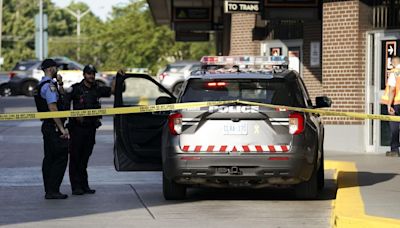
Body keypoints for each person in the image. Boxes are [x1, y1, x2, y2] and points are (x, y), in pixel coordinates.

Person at [64, 65, 114, 195]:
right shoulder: (75, 89)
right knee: (75, 158)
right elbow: (63, 104)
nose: (91, 76)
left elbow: (113, 90)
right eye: (89, 73)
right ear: (84, 75)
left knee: (85, 158)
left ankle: (84, 185)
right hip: (77, 129)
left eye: (93, 74)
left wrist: (118, 77)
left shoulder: (97, 89)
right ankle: (76, 187)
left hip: (91, 128)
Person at [34, 58, 69, 199]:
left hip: (47, 126)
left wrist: (60, 84)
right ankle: (53, 190)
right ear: (50, 69)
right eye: (56, 68)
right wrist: (62, 129)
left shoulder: (43, 85)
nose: (57, 70)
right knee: (60, 157)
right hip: (53, 126)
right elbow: (53, 107)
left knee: (49, 158)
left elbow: (62, 97)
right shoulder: (49, 86)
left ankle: (49, 189)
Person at [383, 56, 400, 157]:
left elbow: (392, 89)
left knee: (394, 126)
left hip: (397, 103)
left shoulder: (395, 72)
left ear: (393, 63)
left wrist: (389, 105)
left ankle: (394, 150)